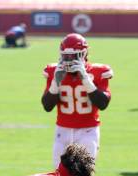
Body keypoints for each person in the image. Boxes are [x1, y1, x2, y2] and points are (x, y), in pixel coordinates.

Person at [41, 34, 113, 167]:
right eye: (66, 56)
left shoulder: (97, 72)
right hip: (62, 131)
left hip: (88, 131)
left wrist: (86, 80)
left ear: (84, 54)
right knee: (58, 175)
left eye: (74, 56)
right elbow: (47, 106)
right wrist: (55, 83)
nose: (69, 59)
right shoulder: (54, 71)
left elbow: (103, 104)